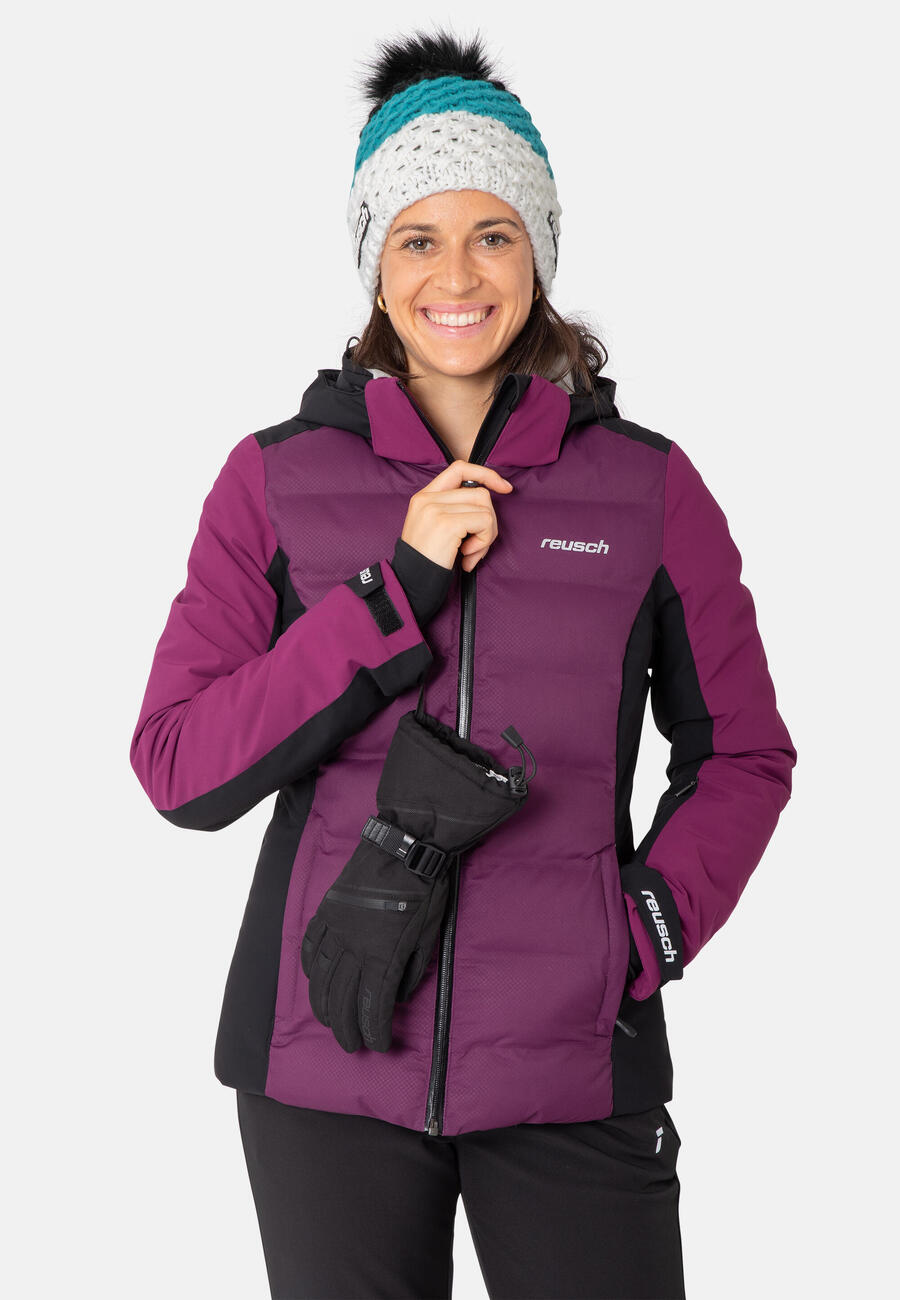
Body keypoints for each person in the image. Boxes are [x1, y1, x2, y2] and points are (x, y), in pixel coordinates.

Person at [130, 26, 797, 1300]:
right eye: (416, 239)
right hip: (326, 1059)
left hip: (571, 1060)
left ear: (538, 255)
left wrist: (643, 928)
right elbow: (180, 765)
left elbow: (744, 754)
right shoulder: (273, 482)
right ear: (373, 268)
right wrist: (392, 594)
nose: (456, 275)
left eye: (493, 234)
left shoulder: (649, 490)